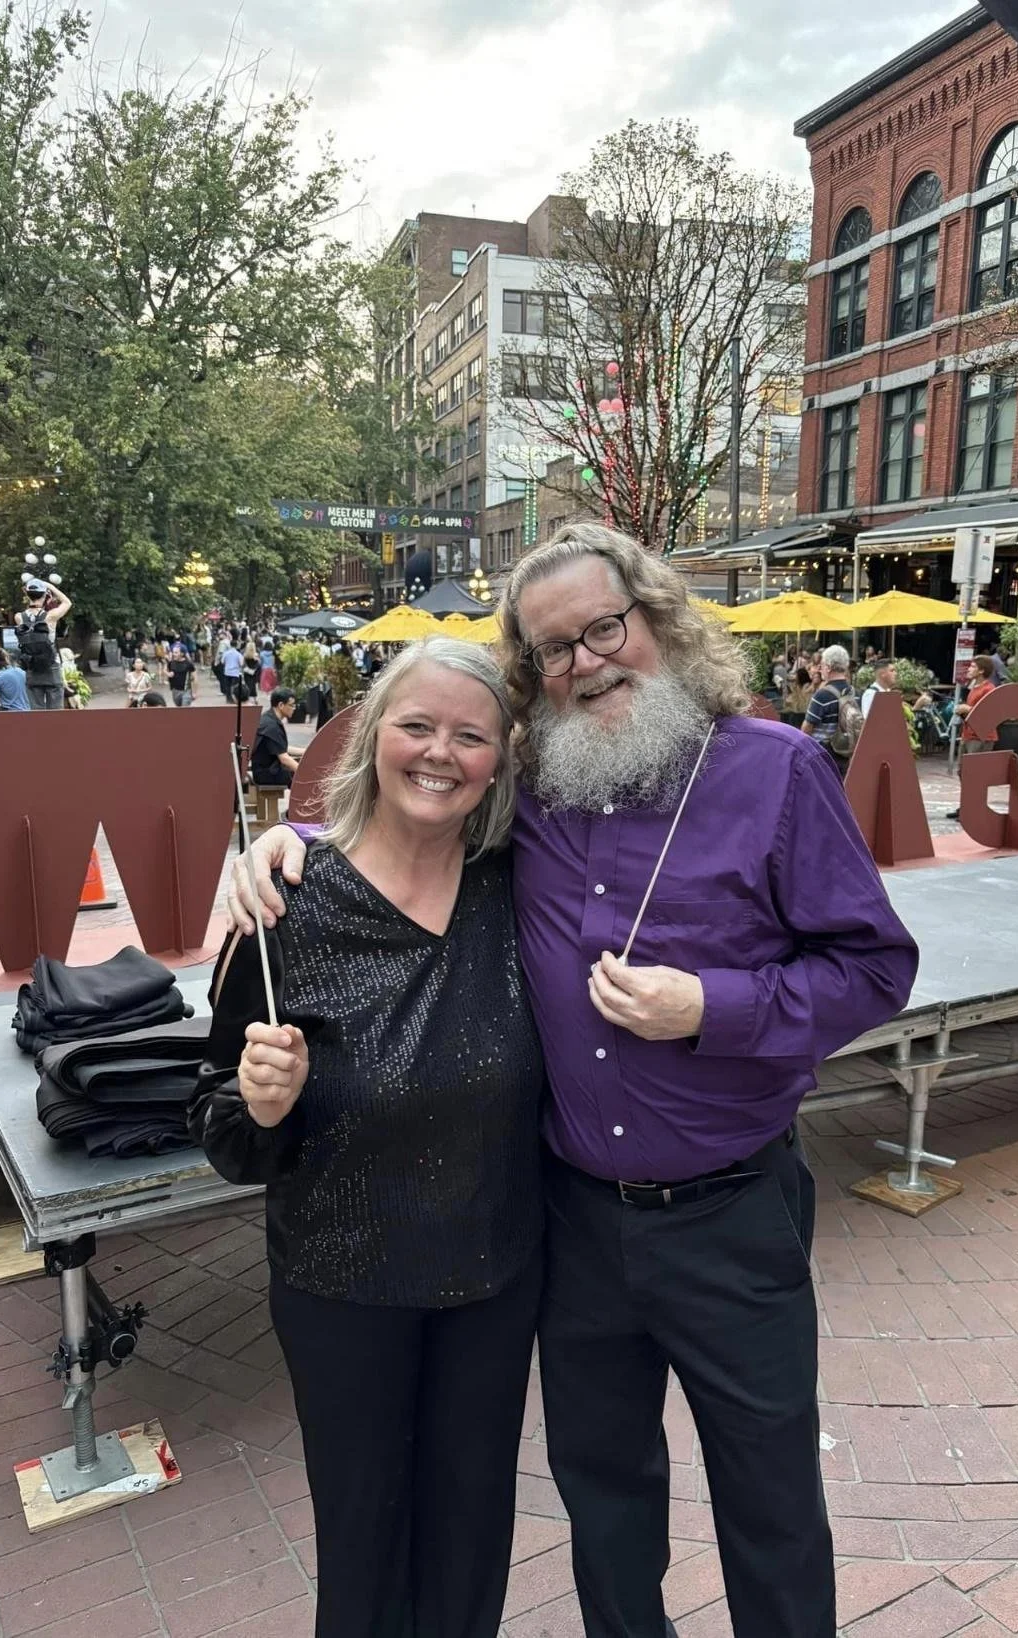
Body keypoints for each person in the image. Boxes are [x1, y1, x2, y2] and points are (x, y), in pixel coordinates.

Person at [233, 524, 919, 1638]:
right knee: (603, 1495)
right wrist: (288, 840)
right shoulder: (538, 788)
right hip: (572, 1224)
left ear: (659, 620)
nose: (586, 662)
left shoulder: (776, 771)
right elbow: (419, 799)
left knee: (769, 1498)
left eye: (604, 629)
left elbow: (875, 969)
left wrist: (712, 1007)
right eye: (553, 649)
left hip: (729, 1211)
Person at [191, 637, 544, 1638]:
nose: (438, 753)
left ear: (499, 762)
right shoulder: (285, 903)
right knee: (364, 1536)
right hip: (341, 1285)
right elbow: (217, 1117)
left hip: (492, 1274)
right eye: (416, 725)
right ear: (371, 737)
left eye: (469, 736)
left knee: (471, 1529)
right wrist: (261, 1108)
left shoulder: (519, 885)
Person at [945, 656, 998, 821]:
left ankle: (973, 809)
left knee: (975, 774)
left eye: (973, 666)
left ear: (981, 670)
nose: (969, 669)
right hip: (968, 734)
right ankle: (966, 805)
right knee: (964, 772)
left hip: (981, 736)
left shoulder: (989, 689)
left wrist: (967, 709)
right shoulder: (974, 687)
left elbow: (988, 712)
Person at [16, 578, 72, 710]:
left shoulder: (19, 617)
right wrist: (50, 586)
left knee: (36, 712)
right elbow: (67, 602)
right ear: (45, 595)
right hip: (51, 666)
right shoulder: (50, 616)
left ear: (27, 595)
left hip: (32, 667)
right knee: (55, 713)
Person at [801, 642, 858, 770]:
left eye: (821, 665)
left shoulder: (822, 695)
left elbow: (807, 728)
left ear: (828, 667)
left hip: (823, 757)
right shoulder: (854, 693)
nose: (819, 669)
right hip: (847, 755)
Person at [251, 688, 300, 789]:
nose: (294, 708)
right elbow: (284, 759)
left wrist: (306, 751)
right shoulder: (271, 726)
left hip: (268, 769)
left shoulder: (269, 718)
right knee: (302, 777)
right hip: (266, 774)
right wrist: (305, 772)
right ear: (281, 705)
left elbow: (281, 748)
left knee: (298, 764)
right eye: (291, 705)